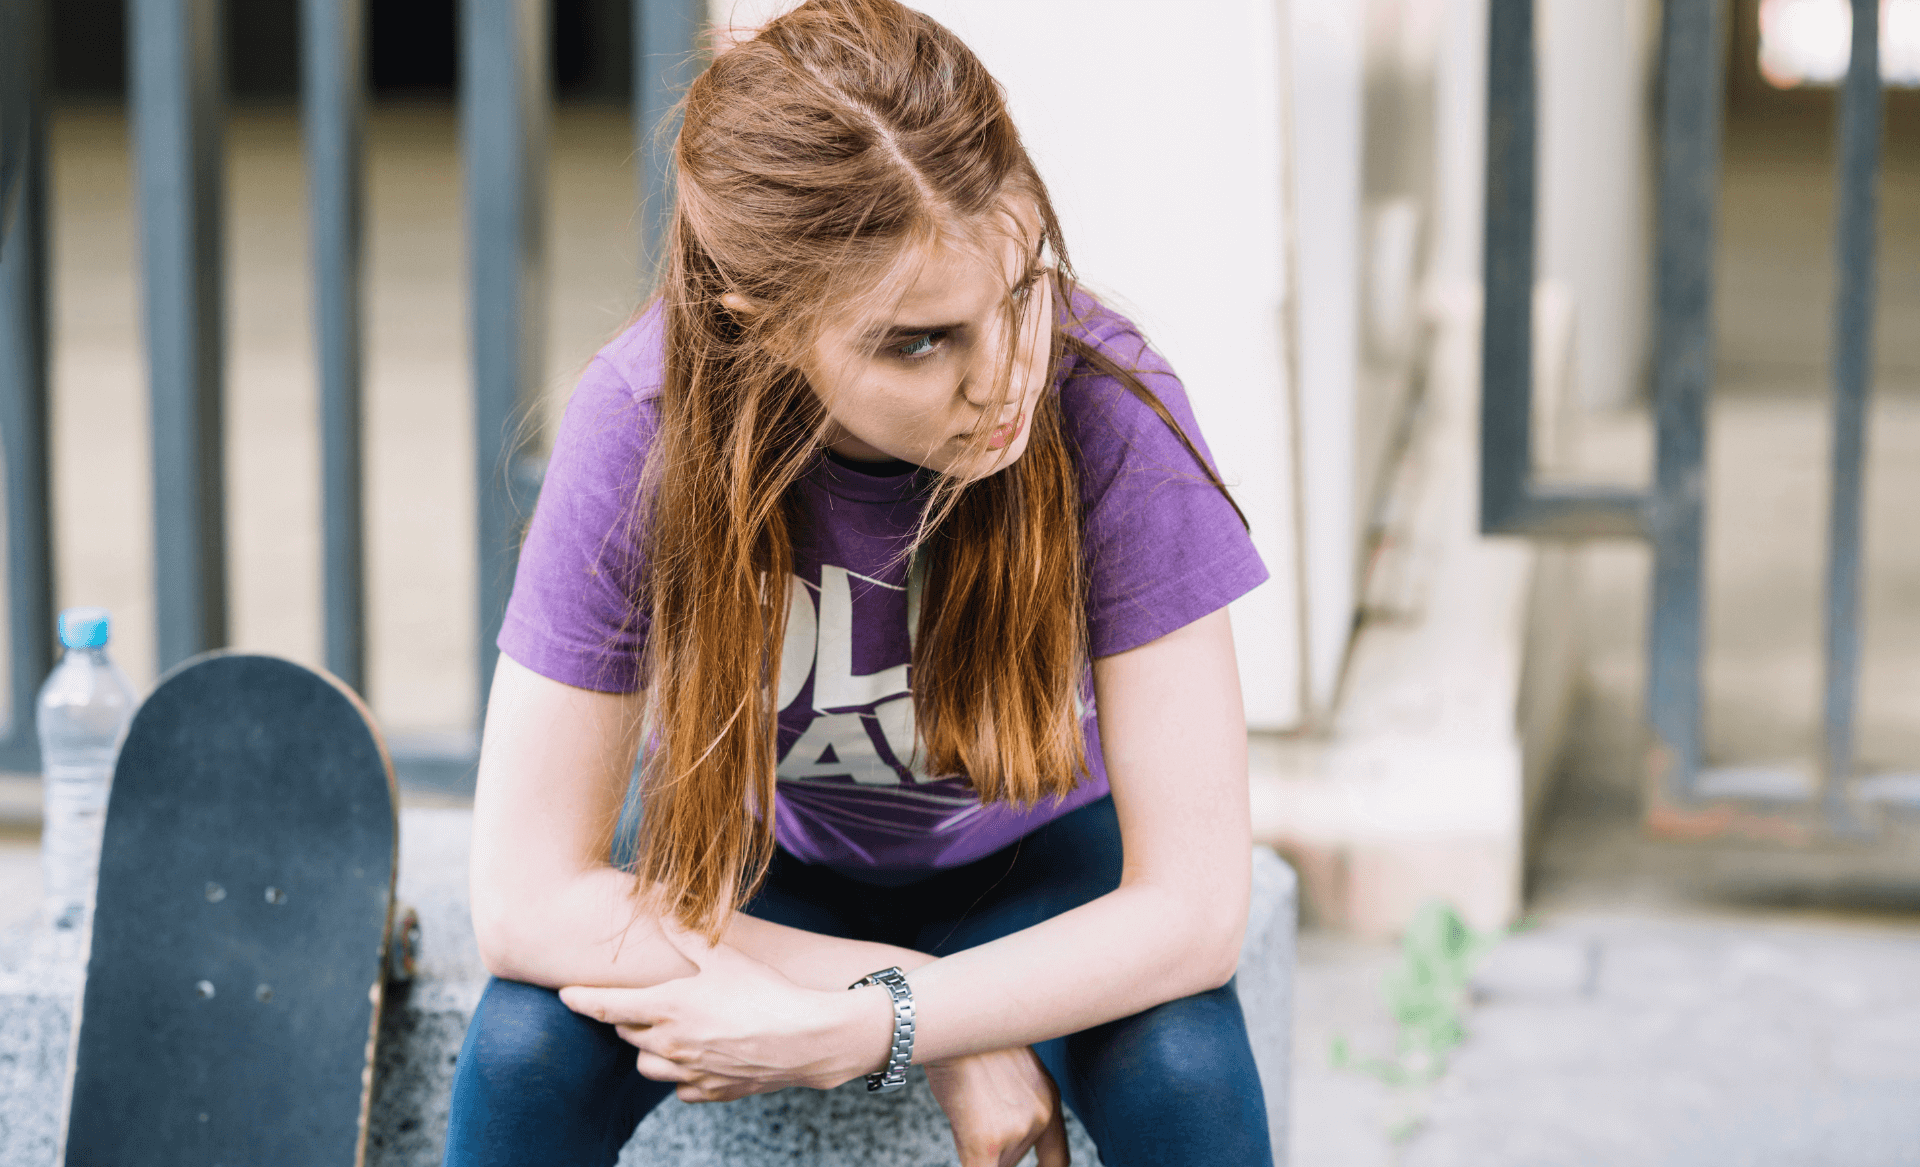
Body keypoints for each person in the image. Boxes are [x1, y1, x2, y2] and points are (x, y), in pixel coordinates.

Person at [442, 2, 1274, 1164]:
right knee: (525, 1051)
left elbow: (1193, 913)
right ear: (764, 324)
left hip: (1041, 862)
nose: (1005, 378)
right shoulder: (646, 423)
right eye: (918, 341)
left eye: (1023, 289)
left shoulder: (1104, 404)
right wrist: (925, 1017)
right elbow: (525, 898)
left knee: (1183, 1068)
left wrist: (867, 1027)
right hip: (767, 866)